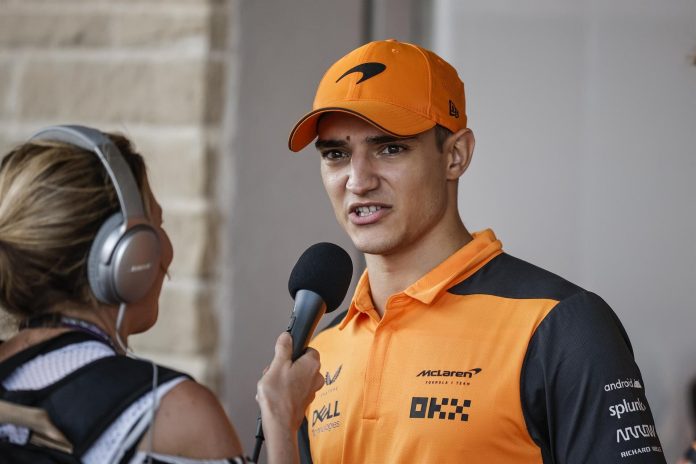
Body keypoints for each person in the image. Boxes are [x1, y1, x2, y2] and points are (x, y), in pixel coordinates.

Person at [287, 39, 666, 463]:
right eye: (336, 154)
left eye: (390, 148)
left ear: (456, 155)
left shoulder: (561, 324)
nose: (358, 181)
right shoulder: (322, 348)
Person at [0, 125, 323, 464]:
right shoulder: (177, 414)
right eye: (156, 226)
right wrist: (281, 417)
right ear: (127, 255)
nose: (166, 251)